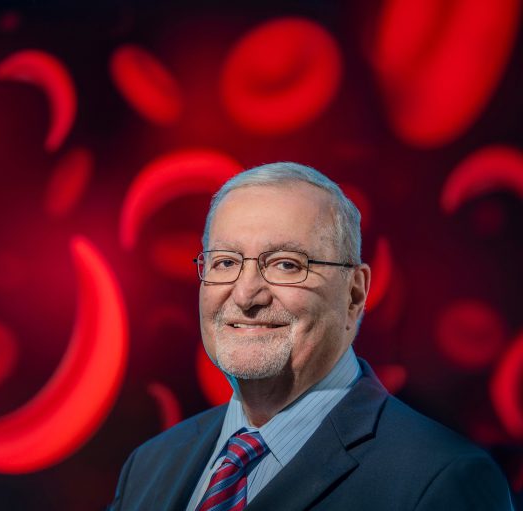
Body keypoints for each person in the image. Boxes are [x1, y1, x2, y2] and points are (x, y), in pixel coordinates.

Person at [109, 162, 512, 510]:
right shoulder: (149, 465)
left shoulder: (443, 479)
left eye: (286, 264)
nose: (247, 294)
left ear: (355, 292)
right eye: (226, 262)